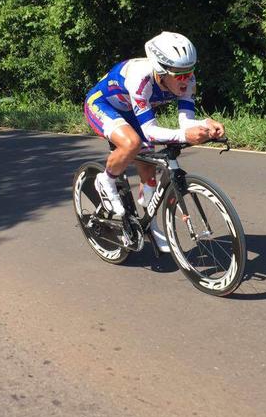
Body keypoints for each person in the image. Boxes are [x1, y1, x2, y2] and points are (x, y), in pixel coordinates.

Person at [83, 31, 225, 252]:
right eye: (179, 75)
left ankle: (150, 225)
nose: (186, 79)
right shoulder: (140, 79)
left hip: (134, 112)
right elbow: (149, 132)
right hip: (103, 105)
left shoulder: (187, 80)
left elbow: (185, 122)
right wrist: (184, 136)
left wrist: (207, 124)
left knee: (149, 170)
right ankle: (105, 180)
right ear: (160, 72)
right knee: (132, 143)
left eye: (190, 72)